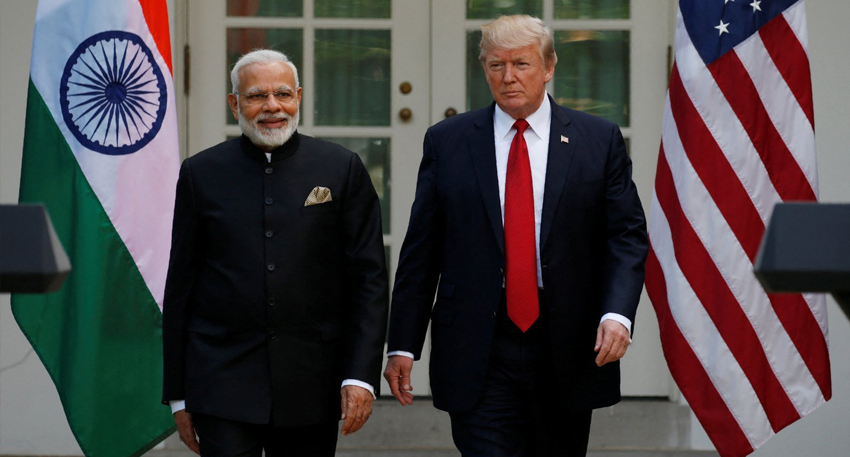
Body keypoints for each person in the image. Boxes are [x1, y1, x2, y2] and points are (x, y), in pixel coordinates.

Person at [384, 15, 648, 456]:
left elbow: (626, 236)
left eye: (521, 64)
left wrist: (617, 314)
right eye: (495, 66)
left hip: (565, 340)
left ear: (548, 67)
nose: (508, 78)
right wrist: (403, 344)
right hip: (477, 344)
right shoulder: (448, 141)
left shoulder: (596, 139)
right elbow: (421, 250)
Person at [162, 49, 388, 457]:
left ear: (298, 97)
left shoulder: (342, 168)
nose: (272, 107)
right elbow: (181, 285)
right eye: (255, 96)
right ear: (235, 103)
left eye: (283, 94)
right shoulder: (201, 173)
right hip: (222, 378)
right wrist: (178, 394)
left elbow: (368, 281)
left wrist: (360, 376)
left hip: (312, 379)